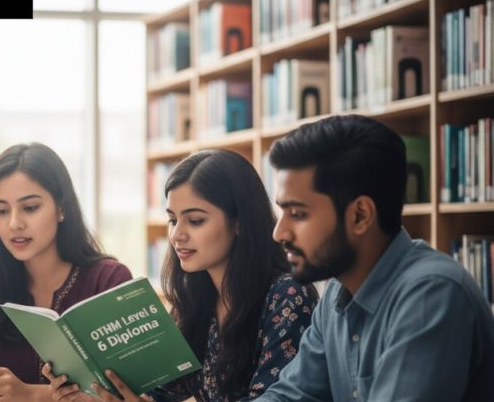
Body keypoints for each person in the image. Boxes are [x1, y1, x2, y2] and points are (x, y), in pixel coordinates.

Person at [252, 115, 494, 401]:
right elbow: (290, 395)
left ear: (360, 215)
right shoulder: (336, 295)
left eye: (298, 214)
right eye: (282, 212)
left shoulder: (431, 295)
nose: (279, 233)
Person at [44, 149, 318, 402]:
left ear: (239, 222)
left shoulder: (287, 295)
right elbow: (162, 391)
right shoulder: (197, 298)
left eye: (195, 220)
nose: (177, 235)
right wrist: (89, 387)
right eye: (173, 220)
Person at [0, 143, 132, 402]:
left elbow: (128, 390)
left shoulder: (108, 280)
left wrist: (30, 394)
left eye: (30, 208)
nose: (15, 223)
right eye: (2, 211)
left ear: (61, 208)